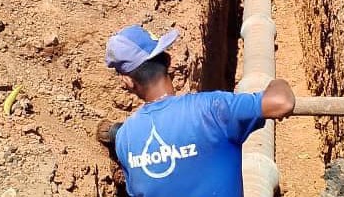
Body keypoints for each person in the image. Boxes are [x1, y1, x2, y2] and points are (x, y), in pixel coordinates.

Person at [102, 24, 295, 197]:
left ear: (127, 81)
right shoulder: (212, 109)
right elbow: (282, 102)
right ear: (167, 60)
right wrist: (277, 82)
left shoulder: (124, 139)